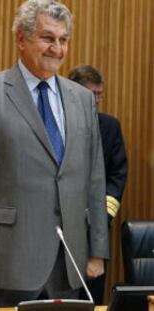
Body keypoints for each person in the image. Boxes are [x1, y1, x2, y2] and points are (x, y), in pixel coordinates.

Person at [0, 0, 109, 306]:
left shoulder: (82, 99)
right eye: (48, 38)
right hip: (8, 262)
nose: (57, 49)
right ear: (21, 39)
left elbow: (95, 179)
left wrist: (97, 250)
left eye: (63, 40)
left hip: (69, 264)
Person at [68, 64, 128, 304]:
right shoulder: (57, 122)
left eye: (99, 95)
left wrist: (100, 218)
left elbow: (117, 176)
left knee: (89, 298)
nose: (96, 101)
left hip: (94, 231)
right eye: (91, 94)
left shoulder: (109, 127)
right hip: (56, 228)